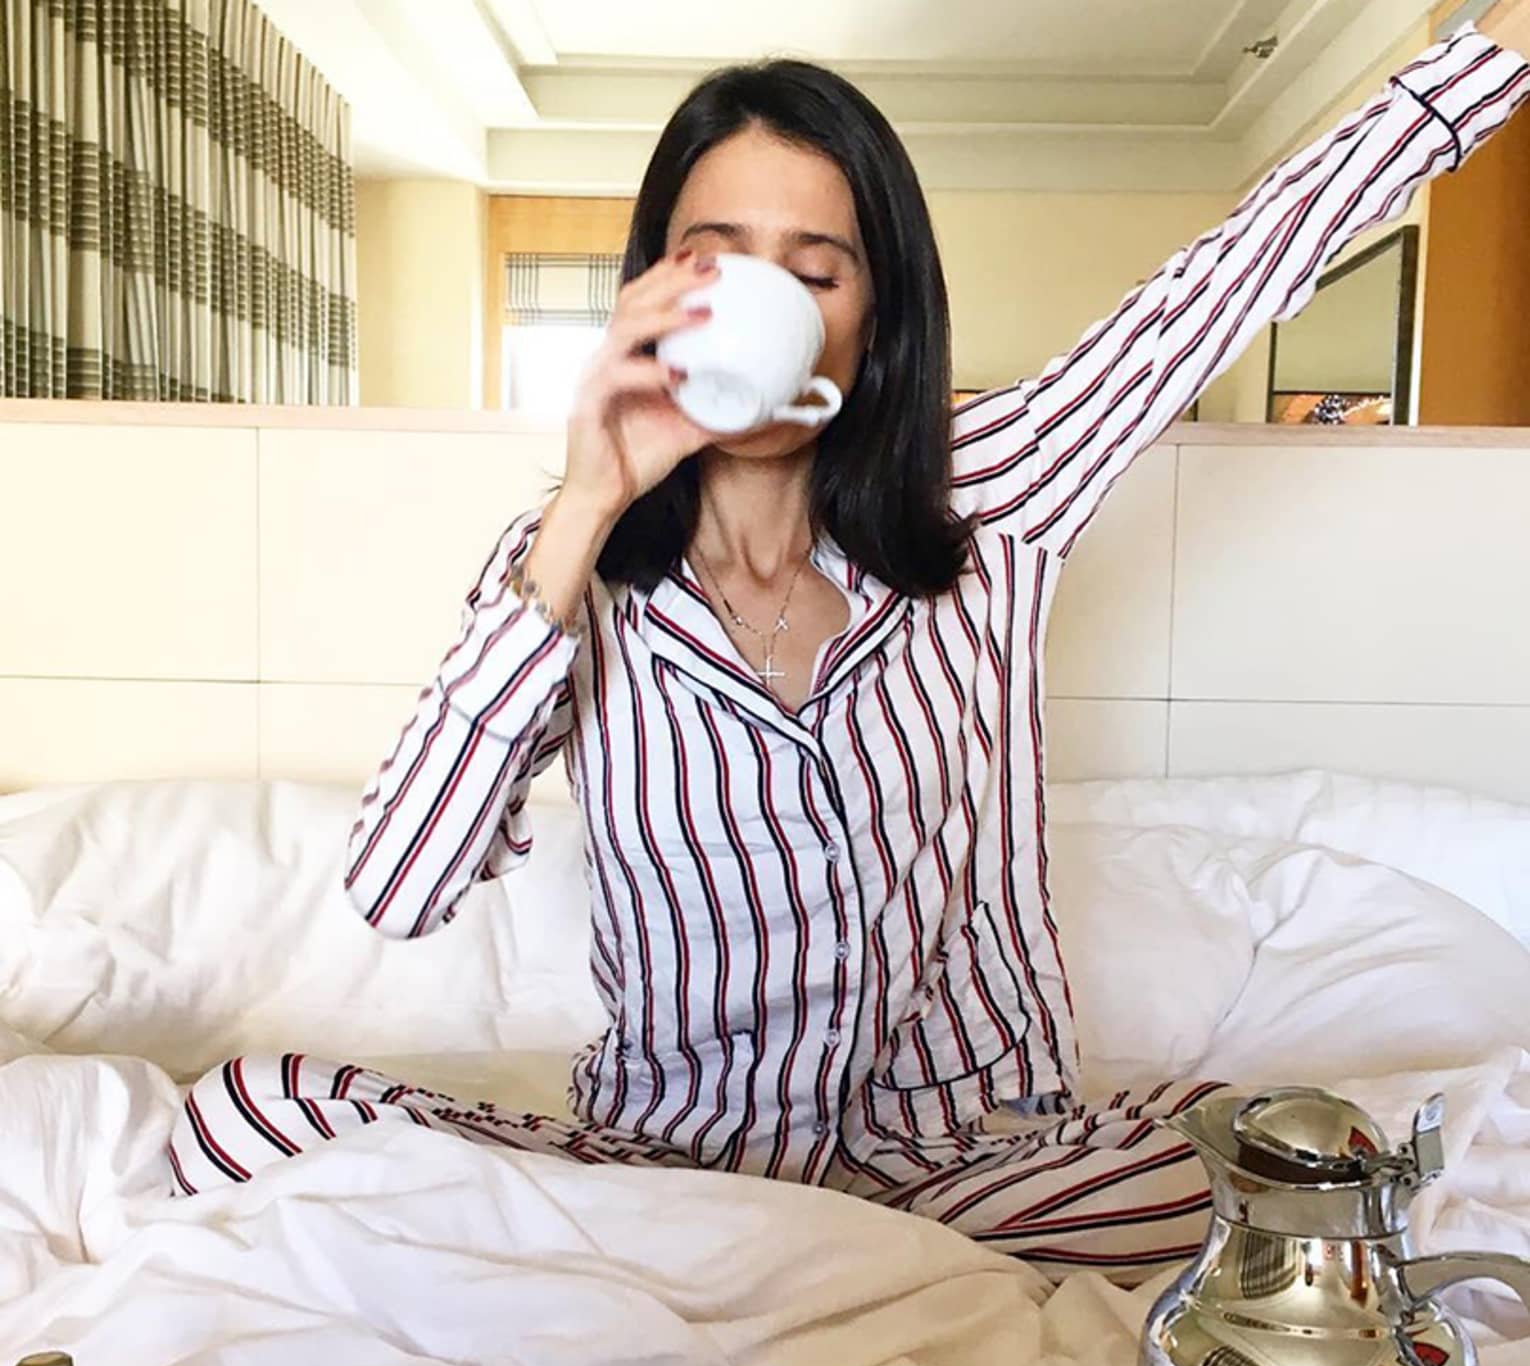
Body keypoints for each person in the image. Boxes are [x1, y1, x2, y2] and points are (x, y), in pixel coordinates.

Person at [169, 9, 1530, 1285]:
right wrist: (584, 502)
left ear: (872, 317)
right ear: (650, 290)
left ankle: (810, 1258)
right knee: (247, 1114)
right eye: (714, 264)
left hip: (974, 1161)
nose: (761, 303)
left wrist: (1481, 59)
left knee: (1320, 1157)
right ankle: (766, 1250)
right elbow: (401, 887)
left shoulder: (991, 491)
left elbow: (1218, 282)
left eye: (813, 271)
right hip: (674, 1159)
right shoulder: (568, 571)